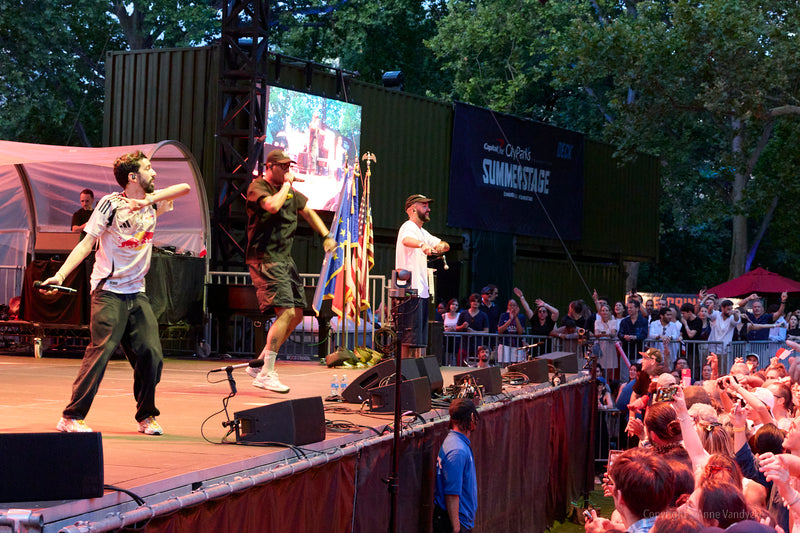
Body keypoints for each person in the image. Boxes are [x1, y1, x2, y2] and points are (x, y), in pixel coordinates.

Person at [42, 150, 191, 434]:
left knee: (152, 354)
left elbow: (184, 188)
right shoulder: (110, 205)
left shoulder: (152, 202)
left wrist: (149, 199)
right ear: (133, 176)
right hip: (108, 291)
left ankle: (146, 416)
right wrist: (60, 274)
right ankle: (71, 417)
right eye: (149, 168)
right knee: (101, 351)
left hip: (137, 293)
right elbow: (87, 244)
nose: (155, 173)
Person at [245, 149, 336, 392]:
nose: (287, 170)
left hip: (285, 259)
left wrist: (326, 236)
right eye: (282, 166)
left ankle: (260, 363)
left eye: (289, 167)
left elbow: (309, 213)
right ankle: (266, 373)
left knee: (296, 315)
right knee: (284, 313)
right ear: (269, 166)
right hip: (266, 259)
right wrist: (287, 186)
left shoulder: (291, 194)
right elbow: (273, 207)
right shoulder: (258, 188)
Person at [395, 194, 450, 358]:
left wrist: (441, 247)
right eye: (424, 205)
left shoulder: (422, 231)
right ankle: (403, 374)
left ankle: (415, 372)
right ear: (413, 208)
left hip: (420, 290)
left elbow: (443, 244)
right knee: (407, 335)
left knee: (417, 337)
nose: (429, 209)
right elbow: (406, 240)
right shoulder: (408, 226)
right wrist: (422, 244)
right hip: (410, 289)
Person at [433, 398, 479, 533]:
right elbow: (452, 494)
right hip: (455, 523)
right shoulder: (457, 451)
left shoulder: (456, 443)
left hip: (457, 520)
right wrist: (457, 528)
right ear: (471, 418)